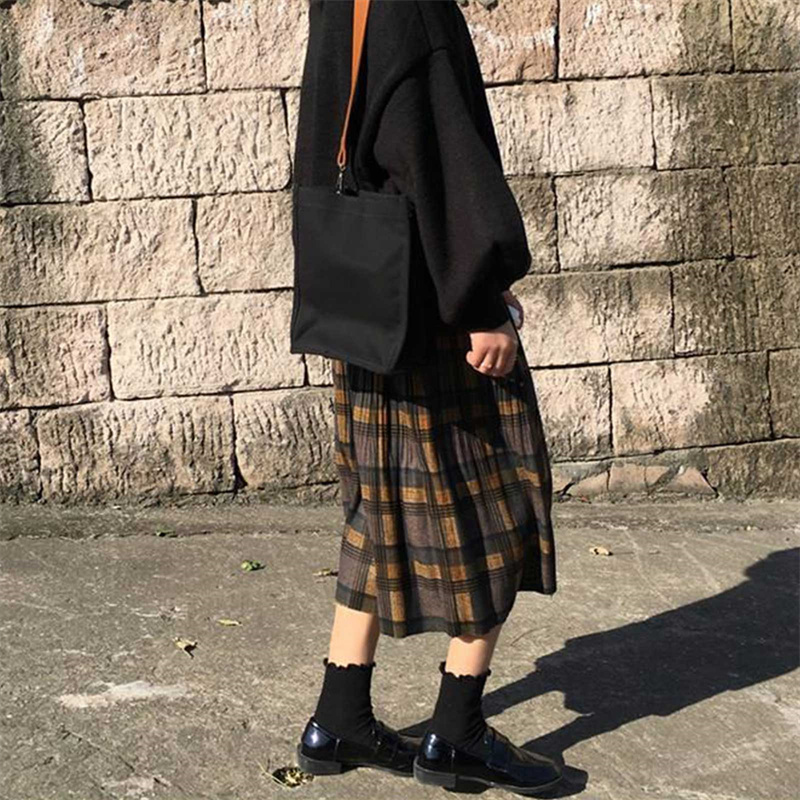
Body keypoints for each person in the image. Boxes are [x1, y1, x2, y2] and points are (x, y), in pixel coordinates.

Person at [292, 0, 561, 794]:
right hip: (434, 314)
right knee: (500, 504)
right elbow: (438, 157)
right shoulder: (415, 9)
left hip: (366, 304)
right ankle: (457, 732)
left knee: (377, 509)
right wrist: (481, 304)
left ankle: (339, 717)